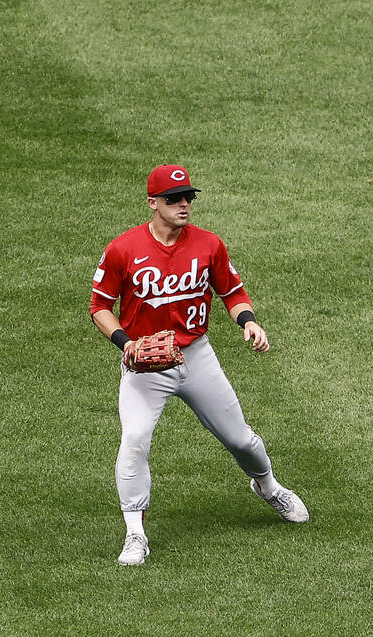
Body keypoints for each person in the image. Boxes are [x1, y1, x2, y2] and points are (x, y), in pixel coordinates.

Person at [89, 164, 308, 567]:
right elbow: (99, 306)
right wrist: (127, 343)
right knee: (135, 438)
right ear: (153, 203)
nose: (184, 204)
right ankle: (135, 533)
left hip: (196, 355)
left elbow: (232, 291)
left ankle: (269, 487)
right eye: (174, 198)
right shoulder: (123, 248)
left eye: (188, 196)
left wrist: (249, 322)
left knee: (240, 439)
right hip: (145, 367)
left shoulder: (209, 245)